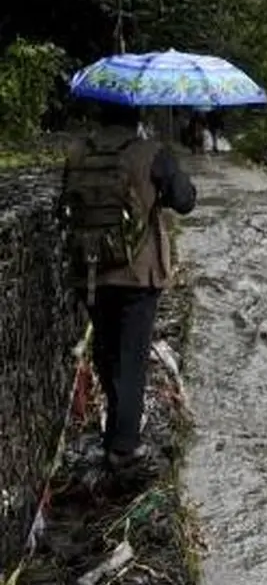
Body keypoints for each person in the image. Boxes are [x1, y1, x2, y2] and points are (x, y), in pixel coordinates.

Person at [59, 102, 197, 471]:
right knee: (131, 358)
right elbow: (185, 202)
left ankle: (114, 433)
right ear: (137, 116)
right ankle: (123, 446)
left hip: (89, 270)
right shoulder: (152, 153)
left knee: (106, 351)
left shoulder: (78, 152)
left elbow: (65, 205)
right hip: (138, 273)